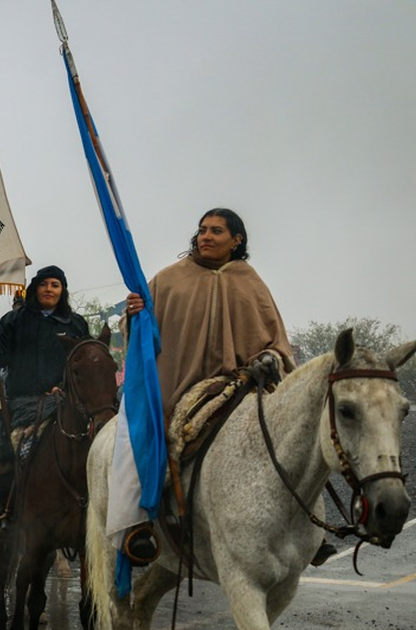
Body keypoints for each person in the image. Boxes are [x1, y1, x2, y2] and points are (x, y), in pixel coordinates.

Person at [116, 207, 301, 564]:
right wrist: (136, 314)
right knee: (158, 441)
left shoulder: (250, 281)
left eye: (216, 231)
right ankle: (142, 522)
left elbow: (276, 342)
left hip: (242, 384)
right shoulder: (169, 279)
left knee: (290, 439)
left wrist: (269, 359)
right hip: (183, 387)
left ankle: (299, 521)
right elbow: (136, 331)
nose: (206, 236)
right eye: (202, 230)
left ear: (237, 240)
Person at [0, 266, 91, 461]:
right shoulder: (14, 320)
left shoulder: (76, 324)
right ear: (35, 289)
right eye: (43, 284)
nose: (49, 289)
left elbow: (86, 366)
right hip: (23, 402)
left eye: (55, 285)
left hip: (67, 401)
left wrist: (63, 388)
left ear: (62, 290)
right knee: (1, 456)